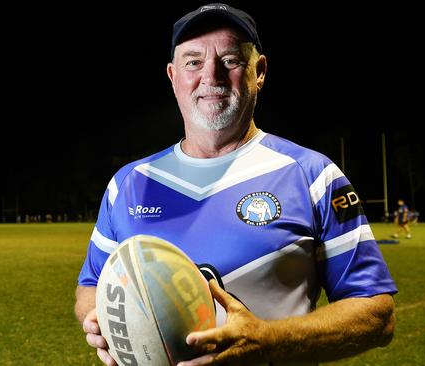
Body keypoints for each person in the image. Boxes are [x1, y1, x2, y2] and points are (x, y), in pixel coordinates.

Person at [75, 3, 397, 365]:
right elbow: (92, 284)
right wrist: (97, 317)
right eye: (193, 61)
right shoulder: (130, 184)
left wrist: (269, 341)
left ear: (259, 72)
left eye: (230, 60)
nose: (210, 75)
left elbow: (377, 315)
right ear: (172, 76)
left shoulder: (313, 176)